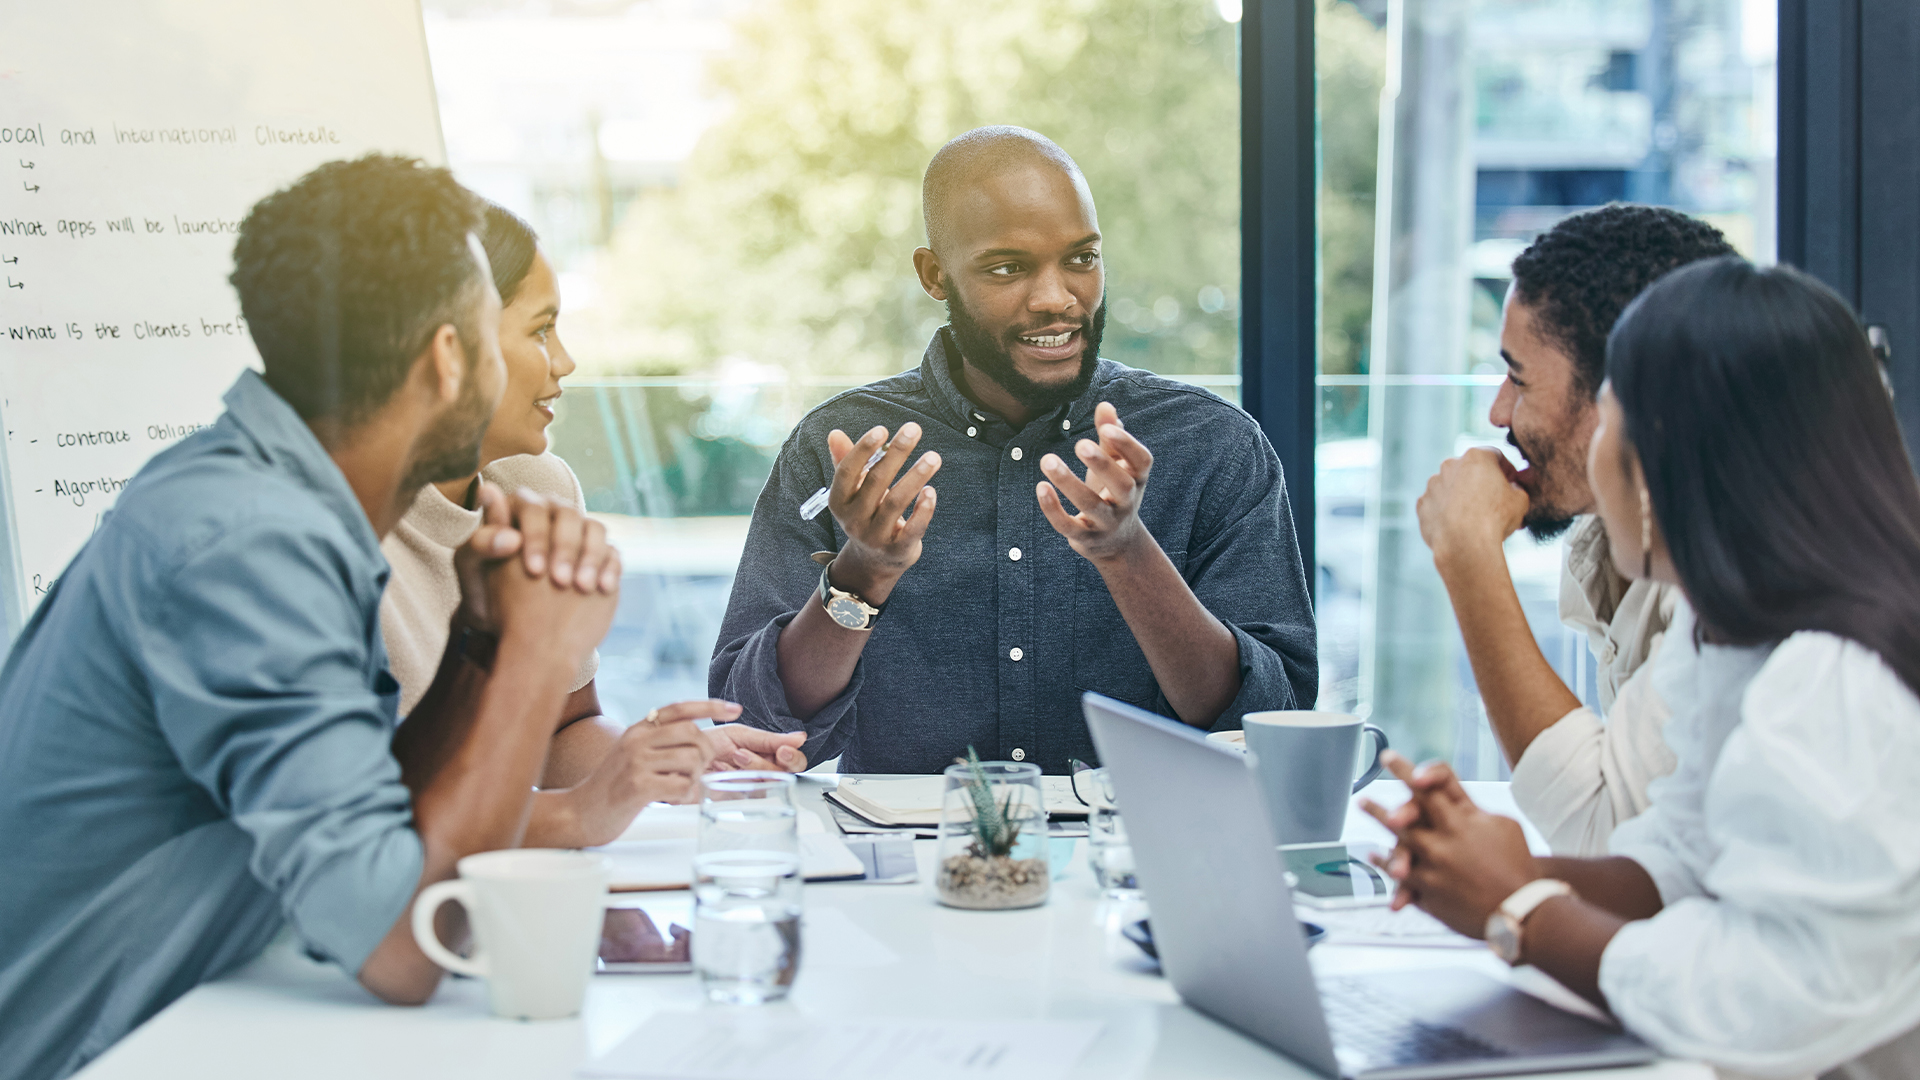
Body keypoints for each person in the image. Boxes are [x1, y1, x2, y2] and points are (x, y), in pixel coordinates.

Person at [0, 155, 621, 1080]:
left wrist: (482, 645)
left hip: (206, 1018)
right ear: (450, 359)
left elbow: (379, 817)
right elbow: (408, 946)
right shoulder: (248, 542)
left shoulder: (275, 498)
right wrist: (537, 655)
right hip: (98, 1051)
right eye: (508, 332)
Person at [1367, 257, 1920, 1079]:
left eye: (1613, 427)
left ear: (1667, 461)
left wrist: (1517, 907)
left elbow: (1772, 1001)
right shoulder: (1731, 634)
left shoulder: (1830, 678)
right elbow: (1683, 863)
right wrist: (1483, 868)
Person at [711, 126, 1316, 774]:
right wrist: (863, 572)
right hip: (910, 867)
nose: (1057, 299)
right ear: (935, 275)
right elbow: (752, 730)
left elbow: (1271, 726)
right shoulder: (845, 451)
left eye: (1082, 259)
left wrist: (1126, 552)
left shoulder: (1211, 445)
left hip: (1142, 864)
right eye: (1008, 268)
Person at [379, 202, 807, 849]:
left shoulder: (537, 485)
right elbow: (364, 829)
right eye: (541, 331)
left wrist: (664, 763)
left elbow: (561, 731)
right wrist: (581, 814)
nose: (565, 362)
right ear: (449, 343)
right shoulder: (326, 531)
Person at [1414, 205, 1735, 854]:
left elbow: (1605, 831)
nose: (1498, 410)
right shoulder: (1613, 537)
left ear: (1625, 395)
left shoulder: (1730, 573)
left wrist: (1470, 556)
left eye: (1519, 378)